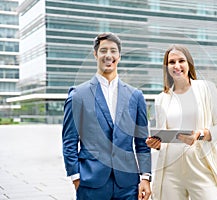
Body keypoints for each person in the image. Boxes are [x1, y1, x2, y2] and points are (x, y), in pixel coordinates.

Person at [62, 32, 152, 200]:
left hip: (127, 183)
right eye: (103, 51)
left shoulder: (136, 96)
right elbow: (69, 140)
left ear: (119, 56)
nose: (108, 55)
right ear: (95, 54)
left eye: (113, 51)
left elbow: (142, 142)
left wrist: (145, 177)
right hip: (90, 182)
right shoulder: (78, 95)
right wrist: (75, 177)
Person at [146, 44, 217, 200]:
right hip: (170, 170)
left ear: (189, 64)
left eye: (181, 61)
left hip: (200, 166)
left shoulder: (207, 89)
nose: (177, 66)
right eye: (171, 62)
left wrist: (200, 134)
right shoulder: (161, 98)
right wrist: (156, 144)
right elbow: (163, 136)